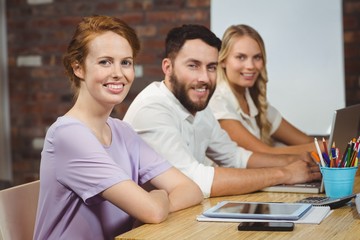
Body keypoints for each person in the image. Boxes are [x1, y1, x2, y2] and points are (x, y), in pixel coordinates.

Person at [33, 16, 203, 239]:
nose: (118, 73)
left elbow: (191, 190)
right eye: (105, 62)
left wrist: (153, 204)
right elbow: (152, 211)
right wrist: (158, 196)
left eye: (126, 62)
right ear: (78, 68)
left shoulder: (122, 131)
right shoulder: (68, 135)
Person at [123, 24, 321, 198]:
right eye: (193, 66)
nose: (204, 78)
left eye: (211, 67)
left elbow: (235, 157)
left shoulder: (200, 106)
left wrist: (295, 162)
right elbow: (193, 181)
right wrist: (284, 174)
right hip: (144, 230)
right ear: (168, 67)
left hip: (182, 217)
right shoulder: (153, 108)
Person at [209, 24, 323, 155]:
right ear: (222, 60)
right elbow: (263, 153)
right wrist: (322, 148)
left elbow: (306, 141)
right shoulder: (216, 100)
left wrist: (326, 145)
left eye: (257, 57)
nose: (250, 66)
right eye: (241, 57)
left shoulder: (253, 99)